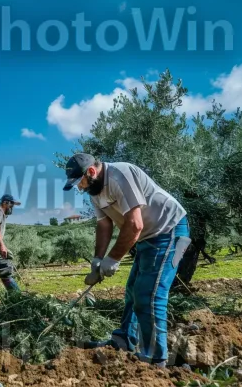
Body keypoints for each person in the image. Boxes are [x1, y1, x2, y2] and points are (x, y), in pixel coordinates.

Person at [62, 153, 191, 368]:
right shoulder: (95, 191)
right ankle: (123, 340)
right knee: (132, 290)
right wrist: (97, 260)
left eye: (80, 182)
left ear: (91, 171)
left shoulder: (121, 175)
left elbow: (135, 225)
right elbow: (104, 225)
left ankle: (157, 359)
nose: (80, 188)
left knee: (148, 294)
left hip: (169, 230)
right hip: (148, 236)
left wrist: (112, 259)